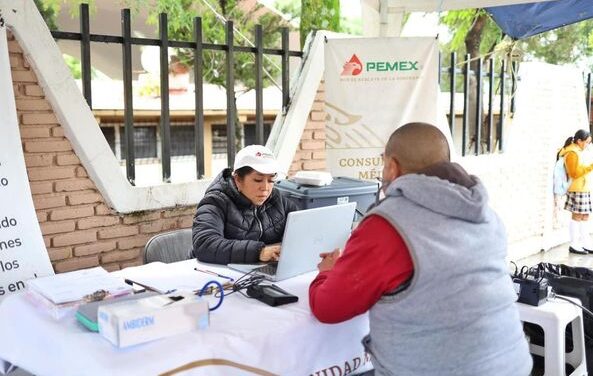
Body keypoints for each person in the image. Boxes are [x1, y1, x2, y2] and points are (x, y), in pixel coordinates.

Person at [309, 123, 532, 376]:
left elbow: (329, 308)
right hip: (513, 364)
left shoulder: (387, 225)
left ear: (392, 166)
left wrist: (327, 272)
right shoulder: (486, 215)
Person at [191, 145, 299, 264]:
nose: (266, 188)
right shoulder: (215, 202)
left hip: (258, 270)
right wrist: (259, 252)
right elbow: (205, 244)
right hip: (210, 273)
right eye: (258, 180)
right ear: (237, 179)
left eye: (271, 180)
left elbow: (303, 229)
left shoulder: (277, 199)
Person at [559, 129, 593, 254]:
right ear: (579, 141)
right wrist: (591, 167)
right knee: (577, 216)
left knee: (585, 216)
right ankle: (574, 244)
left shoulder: (578, 151)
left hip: (582, 188)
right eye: (587, 142)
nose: (588, 145)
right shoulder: (572, 152)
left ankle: (585, 243)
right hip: (576, 188)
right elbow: (574, 173)